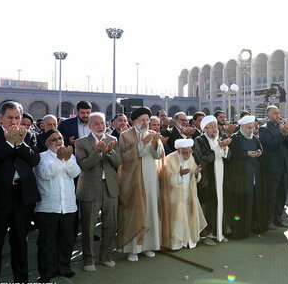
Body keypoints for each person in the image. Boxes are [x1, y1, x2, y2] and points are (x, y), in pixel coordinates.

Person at [0, 101, 40, 284]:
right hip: (0, 197)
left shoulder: (29, 136)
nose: (14, 122)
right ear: (0, 118)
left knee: (20, 239)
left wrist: (20, 144)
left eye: (17, 118)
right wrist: (8, 143)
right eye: (10, 118)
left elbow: (34, 160)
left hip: (23, 196)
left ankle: (21, 279)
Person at [117, 107, 169, 262]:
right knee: (135, 211)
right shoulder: (125, 135)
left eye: (147, 120)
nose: (145, 123)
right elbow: (124, 157)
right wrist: (141, 145)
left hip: (151, 179)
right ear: (134, 121)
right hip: (133, 180)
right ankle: (134, 248)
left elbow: (159, 155)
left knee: (151, 210)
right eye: (142, 120)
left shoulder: (153, 134)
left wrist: (153, 144)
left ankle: (148, 246)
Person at [74, 112, 121, 271]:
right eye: (96, 124)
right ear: (89, 126)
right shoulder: (81, 143)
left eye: (102, 123)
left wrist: (109, 152)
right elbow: (84, 165)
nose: (100, 126)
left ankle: (105, 256)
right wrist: (98, 152)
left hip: (110, 187)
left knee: (110, 224)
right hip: (89, 188)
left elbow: (118, 162)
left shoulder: (112, 140)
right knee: (88, 226)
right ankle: (88, 260)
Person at [33, 129, 81, 282]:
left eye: (60, 138)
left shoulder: (70, 156)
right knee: (47, 241)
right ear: (47, 143)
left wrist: (66, 160)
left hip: (68, 206)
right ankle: (46, 272)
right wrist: (58, 160)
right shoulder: (41, 157)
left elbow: (75, 173)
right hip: (48, 207)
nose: (58, 141)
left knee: (66, 239)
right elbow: (45, 174)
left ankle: (64, 268)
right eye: (54, 139)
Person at [223, 115, 264, 240]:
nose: (251, 130)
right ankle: (240, 231)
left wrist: (259, 152)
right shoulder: (235, 138)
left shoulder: (255, 138)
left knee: (253, 202)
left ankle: (252, 227)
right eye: (248, 128)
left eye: (252, 128)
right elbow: (230, 155)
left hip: (253, 175)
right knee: (241, 204)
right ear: (242, 126)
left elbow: (260, 147)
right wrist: (245, 154)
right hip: (240, 178)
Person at [193, 115, 231, 244]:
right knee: (207, 206)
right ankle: (206, 235)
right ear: (204, 129)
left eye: (215, 126)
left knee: (220, 204)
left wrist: (224, 147)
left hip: (221, 178)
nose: (214, 129)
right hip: (207, 180)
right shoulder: (199, 140)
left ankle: (219, 232)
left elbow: (229, 156)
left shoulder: (220, 139)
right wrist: (219, 147)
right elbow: (204, 158)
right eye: (210, 127)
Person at [165, 139, 206, 250]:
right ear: (178, 151)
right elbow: (166, 179)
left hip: (189, 194)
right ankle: (176, 244)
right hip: (176, 197)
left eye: (189, 152)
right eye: (185, 153)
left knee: (189, 216)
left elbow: (194, 175)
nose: (188, 155)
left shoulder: (191, 158)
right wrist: (179, 175)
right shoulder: (169, 159)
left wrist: (196, 174)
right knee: (177, 219)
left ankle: (189, 241)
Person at [258, 105, 288, 230]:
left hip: (284, 167)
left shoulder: (282, 128)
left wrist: (287, 133)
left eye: (278, 113)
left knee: (282, 195)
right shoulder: (264, 129)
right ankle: (268, 221)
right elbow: (271, 145)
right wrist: (282, 134)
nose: (278, 115)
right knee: (271, 195)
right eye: (275, 113)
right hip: (272, 167)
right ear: (269, 116)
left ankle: (278, 218)